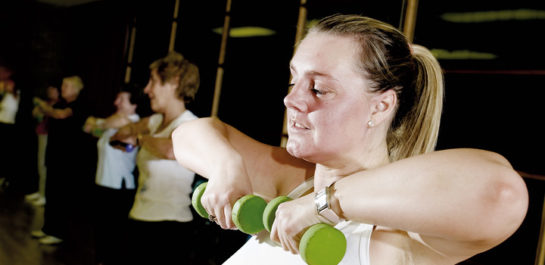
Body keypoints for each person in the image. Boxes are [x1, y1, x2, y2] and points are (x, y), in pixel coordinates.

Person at [171, 14, 529, 265]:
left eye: (319, 88)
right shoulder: (294, 182)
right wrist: (226, 165)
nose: (292, 99)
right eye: (294, 80)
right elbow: (188, 134)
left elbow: (501, 192)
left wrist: (324, 205)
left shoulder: (399, 237)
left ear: (381, 106)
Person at [110, 51, 204, 264]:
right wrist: (128, 137)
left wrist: (140, 140)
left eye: (152, 82)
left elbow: (172, 150)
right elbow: (120, 135)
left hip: (169, 229)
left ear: (174, 82)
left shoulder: (190, 125)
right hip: (139, 217)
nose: (146, 90)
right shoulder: (153, 122)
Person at [83, 85, 140, 265]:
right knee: (101, 230)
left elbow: (96, 124)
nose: (116, 103)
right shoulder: (114, 121)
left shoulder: (132, 123)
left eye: (121, 99)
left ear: (133, 105)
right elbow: (89, 129)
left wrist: (96, 121)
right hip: (104, 182)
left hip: (119, 186)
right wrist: (97, 123)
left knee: (114, 233)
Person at [31, 75, 88, 245]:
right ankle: (47, 228)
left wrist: (41, 104)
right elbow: (41, 114)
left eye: (66, 86)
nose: (62, 88)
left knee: (61, 196)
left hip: (67, 159)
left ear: (75, 89)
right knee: (51, 193)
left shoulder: (77, 105)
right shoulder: (59, 103)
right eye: (62, 85)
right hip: (54, 154)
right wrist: (41, 108)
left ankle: (58, 232)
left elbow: (59, 115)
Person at [25, 85, 60, 206]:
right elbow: (35, 113)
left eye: (53, 89)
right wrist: (40, 107)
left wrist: (41, 104)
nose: (50, 91)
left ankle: (44, 195)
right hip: (40, 134)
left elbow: (52, 113)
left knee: (44, 165)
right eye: (49, 89)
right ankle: (40, 192)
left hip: (48, 137)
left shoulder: (59, 104)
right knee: (39, 164)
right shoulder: (47, 102)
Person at [0, 65, 20, 189]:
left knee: (6, 152)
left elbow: (14, 108)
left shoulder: (16, 95)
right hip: (1, 123)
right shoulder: (4, 95)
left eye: (9, 83)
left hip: (9, 126)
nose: (7, 84)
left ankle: (6, 178)